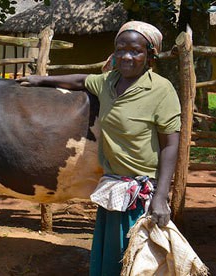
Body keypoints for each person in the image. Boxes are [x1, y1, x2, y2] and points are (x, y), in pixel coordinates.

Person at [19, 21, 181, 275]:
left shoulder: (160, 90)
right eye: (120, 49)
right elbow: (81, 80)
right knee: (110, 259)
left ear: (150, 54)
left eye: (136, 51)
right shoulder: (109, 82)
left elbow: (171, 144)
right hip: (112, 188)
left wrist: (160, 197)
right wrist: (41, 80)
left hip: (140, 194)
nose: (126, 56)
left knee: (137, 263)